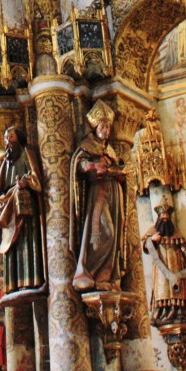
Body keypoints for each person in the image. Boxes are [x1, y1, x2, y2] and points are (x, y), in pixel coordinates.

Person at [70, 100, 127, 292]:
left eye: (109, 126)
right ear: (95, 127)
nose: (107, 129)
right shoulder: (88, 145)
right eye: (103, 126)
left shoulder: (110, 149)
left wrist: (119, 172)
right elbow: (79, 164)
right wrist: (94, 166)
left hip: (113, 192)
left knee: (115, 234)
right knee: (105, 232)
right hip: (99, 192)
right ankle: (87, 272)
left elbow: (117, 166)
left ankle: (106, 275)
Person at [0, 126, 46, 303]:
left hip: (26, 211)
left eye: (10, 137)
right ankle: (15, 283)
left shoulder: (27, 153)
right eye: (5, 138)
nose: (7, 142)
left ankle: (33, 279)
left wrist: (26, 182)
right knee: (13, 247)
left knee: (28, 242)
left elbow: (36, 179)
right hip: (9, 211)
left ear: (18, 138)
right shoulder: (5, 162)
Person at [142, 197, 186, 326]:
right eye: (162, 215)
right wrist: (152, 240)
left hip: (176, 264)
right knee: (163, 290)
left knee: (177, 291)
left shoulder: (175, 233)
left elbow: (183, 247)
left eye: (166, 214)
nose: (164, 217)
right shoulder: (153, 232)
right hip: (161, 268)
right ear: (158, 216)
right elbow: (145, 246)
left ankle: (179, 312)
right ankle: (163, 313)